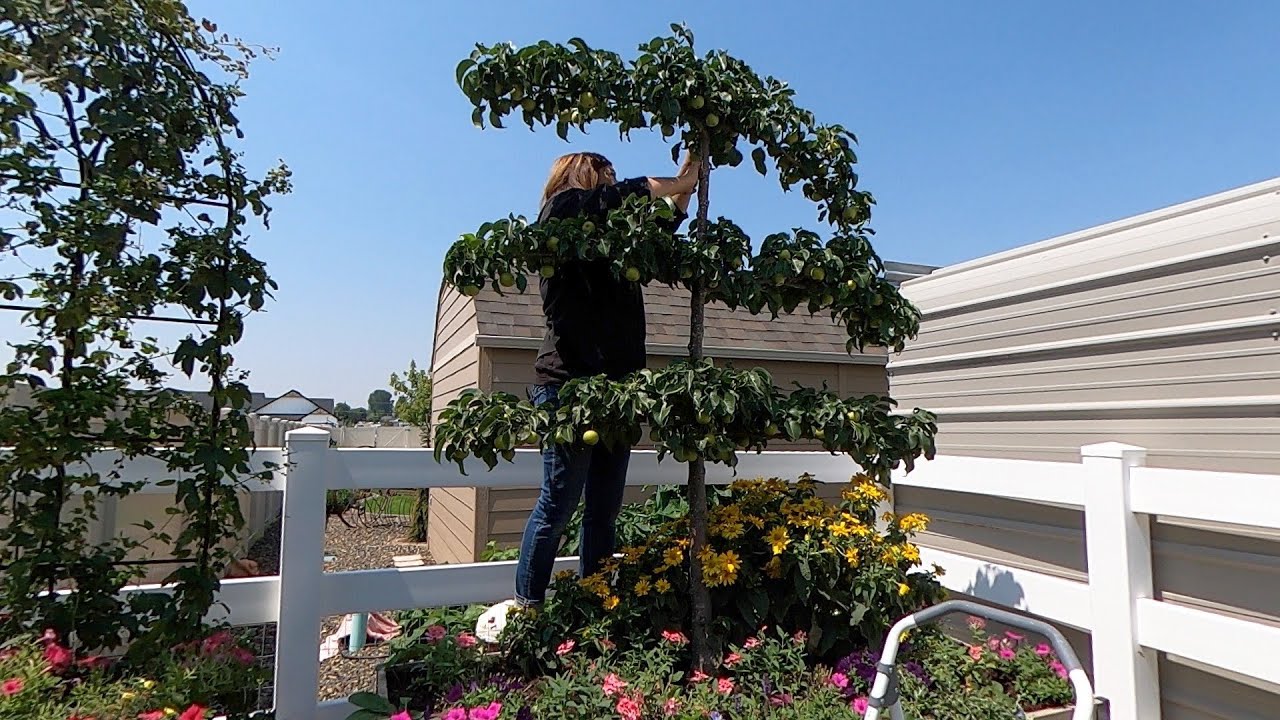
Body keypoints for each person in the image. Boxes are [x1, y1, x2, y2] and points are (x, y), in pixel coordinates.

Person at [514, 150, 700, 609]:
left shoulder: (617, 241)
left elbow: (660, 230)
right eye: (606, 173)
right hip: (568, 386)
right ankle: (528, 607)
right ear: (580, 173)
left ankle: (595, 601)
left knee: (604, 509)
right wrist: (675, 185)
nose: (613, 181)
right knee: (558, 505)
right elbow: (621, 197)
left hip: (618, 390)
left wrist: (687, 181)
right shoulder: (561, 212)